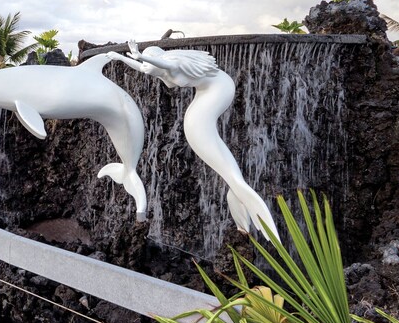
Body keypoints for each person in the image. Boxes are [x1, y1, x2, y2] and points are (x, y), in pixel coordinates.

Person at [107, 41, 278, 241]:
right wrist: (121, 58)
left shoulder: (173, 63)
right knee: (223, 163)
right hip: (205, 93)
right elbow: (146, 67)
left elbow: (160, 65)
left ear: (159, 60)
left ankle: (250, 203)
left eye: (151, 65)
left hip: (219, 90)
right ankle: (239, 201)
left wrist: (140, 55)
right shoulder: (161, 68)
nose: (149, 71)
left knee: (201, 131)